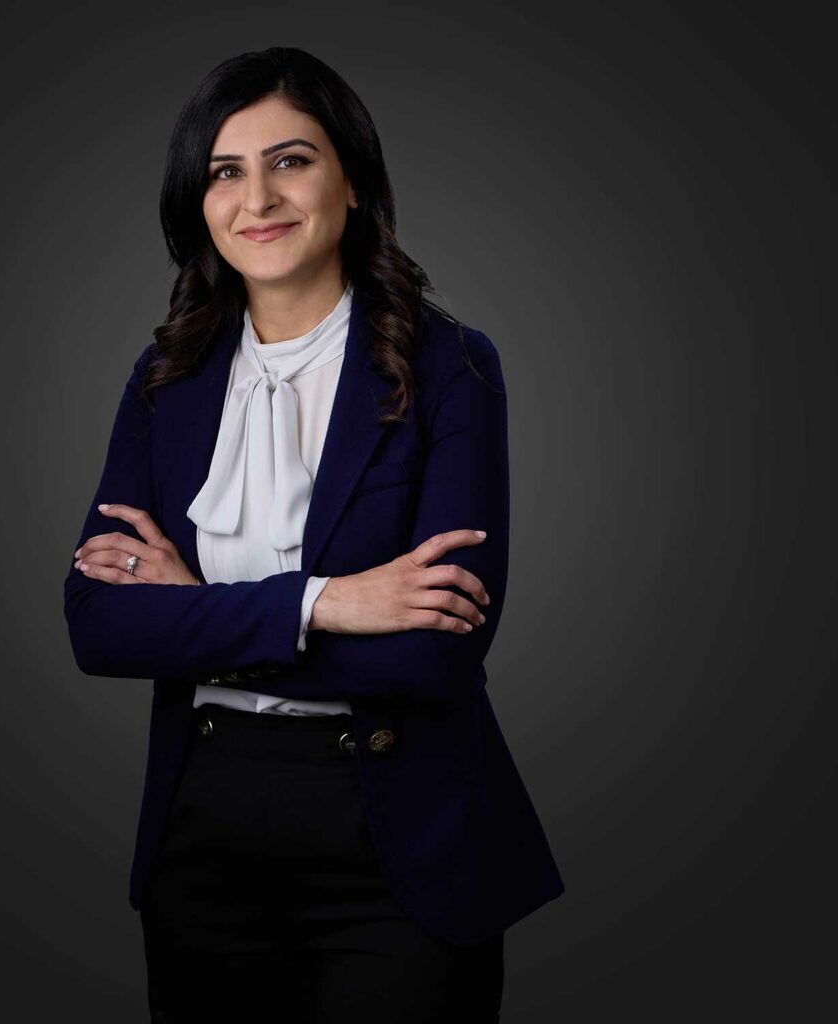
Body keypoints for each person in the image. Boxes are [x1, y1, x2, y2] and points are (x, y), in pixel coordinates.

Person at [64, 46, 564, 1024]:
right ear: (198, 201)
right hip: (204, 839)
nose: (258, 195)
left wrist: (193, 617)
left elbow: (431, 655)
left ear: (351, 181)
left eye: (290, 159)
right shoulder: (165, 378)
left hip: (400, 843)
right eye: (224, 170)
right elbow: (98, 628)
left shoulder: (451, 365)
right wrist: (332, 602)